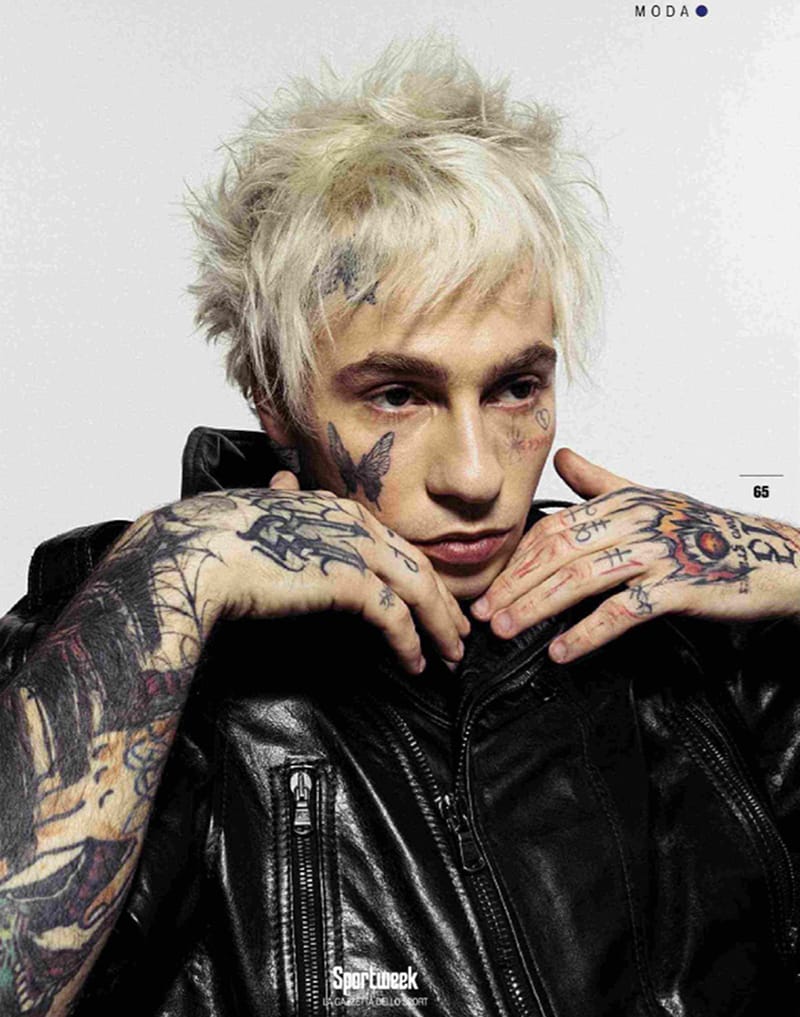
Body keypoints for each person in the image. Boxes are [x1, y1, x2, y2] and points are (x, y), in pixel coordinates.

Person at [1, 37, 799, 1017]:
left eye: (516, 387)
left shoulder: (687, 628)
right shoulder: (131, 628)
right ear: (273, 396)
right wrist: (163, 578)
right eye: (396, 395)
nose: (476, 476)